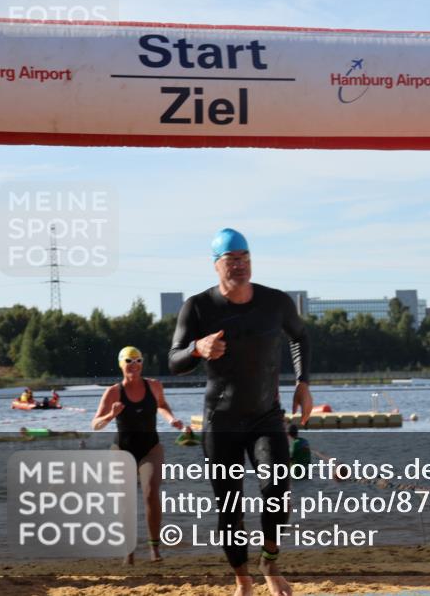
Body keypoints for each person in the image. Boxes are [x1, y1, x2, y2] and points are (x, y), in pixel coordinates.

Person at [169, 228, 312, 596]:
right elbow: (173, 361)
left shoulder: (275, 302)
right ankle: (242, 581)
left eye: (244, 257)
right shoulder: (198, 307)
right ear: (216, 265)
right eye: (231, 259)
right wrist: (197, 349)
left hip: (267, 415)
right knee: (230, 504)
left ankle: (269, 561)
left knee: (278, 491)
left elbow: (300, 337)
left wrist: (303, 383)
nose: (239, 265)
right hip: (222, 420)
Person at [92, 346, 184, 563]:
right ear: (121, 364)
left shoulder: (154, 386)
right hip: (122, 450)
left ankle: (154, 549)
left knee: (151, 493)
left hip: (151, 448)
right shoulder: (113, 392)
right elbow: (95, 424)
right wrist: (110, 415)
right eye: (129, 361)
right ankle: (129, 550)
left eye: (138, 361)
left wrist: (171, 419)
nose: (134, 365)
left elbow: (161, 405)